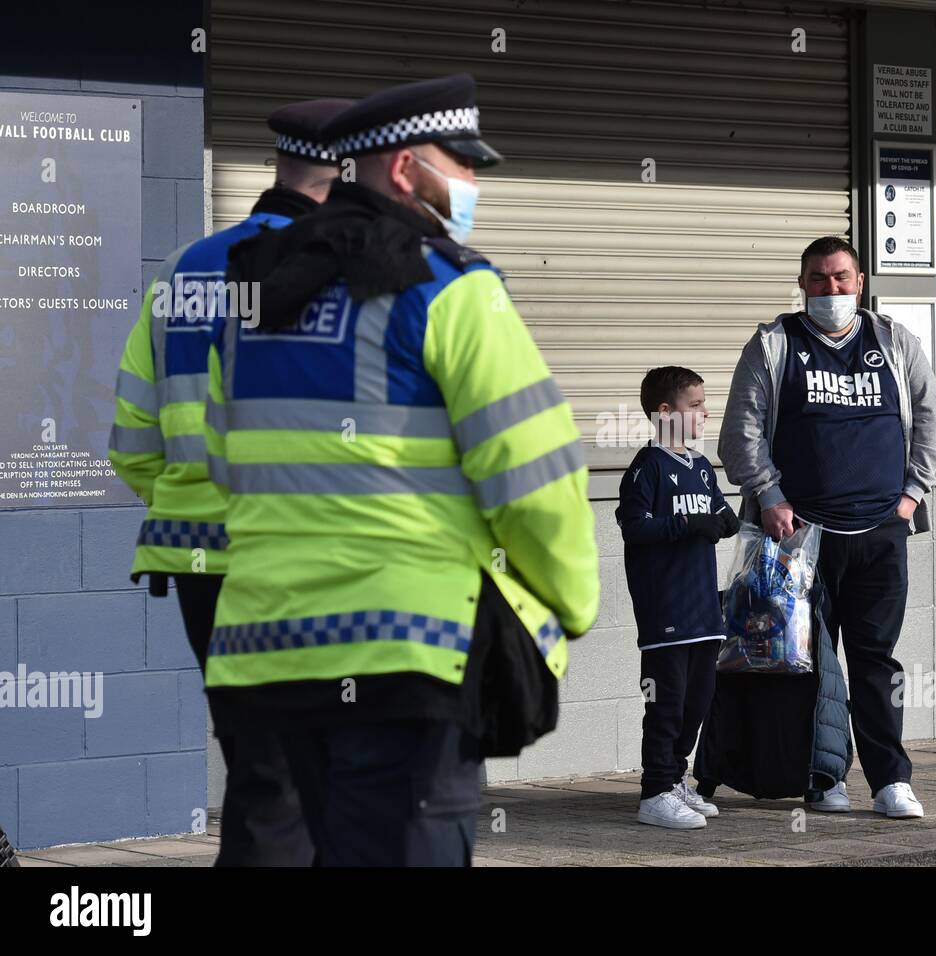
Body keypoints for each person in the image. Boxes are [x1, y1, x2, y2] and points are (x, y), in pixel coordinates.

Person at [203, 73, 599, 866]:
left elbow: (223, 460)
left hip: (269, 656)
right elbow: (533, 475)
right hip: (405, 657)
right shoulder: (451, 291)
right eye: (463, 165)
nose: (474, 184)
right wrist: (571, 602)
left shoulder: (254, 296)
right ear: (406, 169)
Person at [107, 99, 352, 865]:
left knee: (260, 762)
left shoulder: (183, 270)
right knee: (305, 782)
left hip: (198, 562)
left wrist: (189, 500)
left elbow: (132, 438)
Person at [718, 235, 936, 818]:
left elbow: (935, 424)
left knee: (877, 661)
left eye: (841, 278)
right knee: (808, 664)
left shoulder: (894, 342)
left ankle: (890, 781)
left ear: (860, 282)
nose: (831, 289)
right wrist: (769, 497)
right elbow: (739, 435)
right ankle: (823, 779)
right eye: (819, 279)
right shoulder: (774, 344)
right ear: (802, 285)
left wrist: (911, 497)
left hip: (881, 533)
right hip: (799, 540)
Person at [616, 366, 739, 828]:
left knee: (698, 701)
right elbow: (634, 526)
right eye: (696, 405)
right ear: (664, 412)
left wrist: (729, 520)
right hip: (665, 610)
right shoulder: (648, 467)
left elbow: (719, 511)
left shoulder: (701, 467)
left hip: (704, 611)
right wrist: (688, 526)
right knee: (665, 703)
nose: (705, 413)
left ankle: (674, 779)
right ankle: (654, 792)